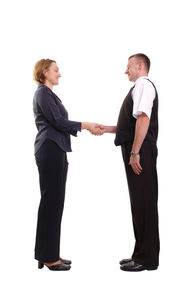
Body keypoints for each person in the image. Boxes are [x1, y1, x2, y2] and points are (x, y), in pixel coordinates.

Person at [33, 59, 104, 271]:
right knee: (51, 202)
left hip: (57, 148)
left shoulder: (49, 94)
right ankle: (47, 256)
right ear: (45, 72)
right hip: (50, 148)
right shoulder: (43, 94)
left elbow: (59, 122)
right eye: (56, 70)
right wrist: (86, 125)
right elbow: (58, 122)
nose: (59, 74)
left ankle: (49, 253)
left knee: (55, 203)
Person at [103, 53, 159, 271]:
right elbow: (132, 124)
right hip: (138, 148)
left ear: (140, 65)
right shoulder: (139, 87)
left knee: (144, 203)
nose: (126, 71)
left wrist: (135, 153)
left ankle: (147, 259)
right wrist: (107, 129)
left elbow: (143, 118)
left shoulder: (143, 85)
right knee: (139, 203)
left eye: (128, 67)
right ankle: (140, 254)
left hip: (140, 150)